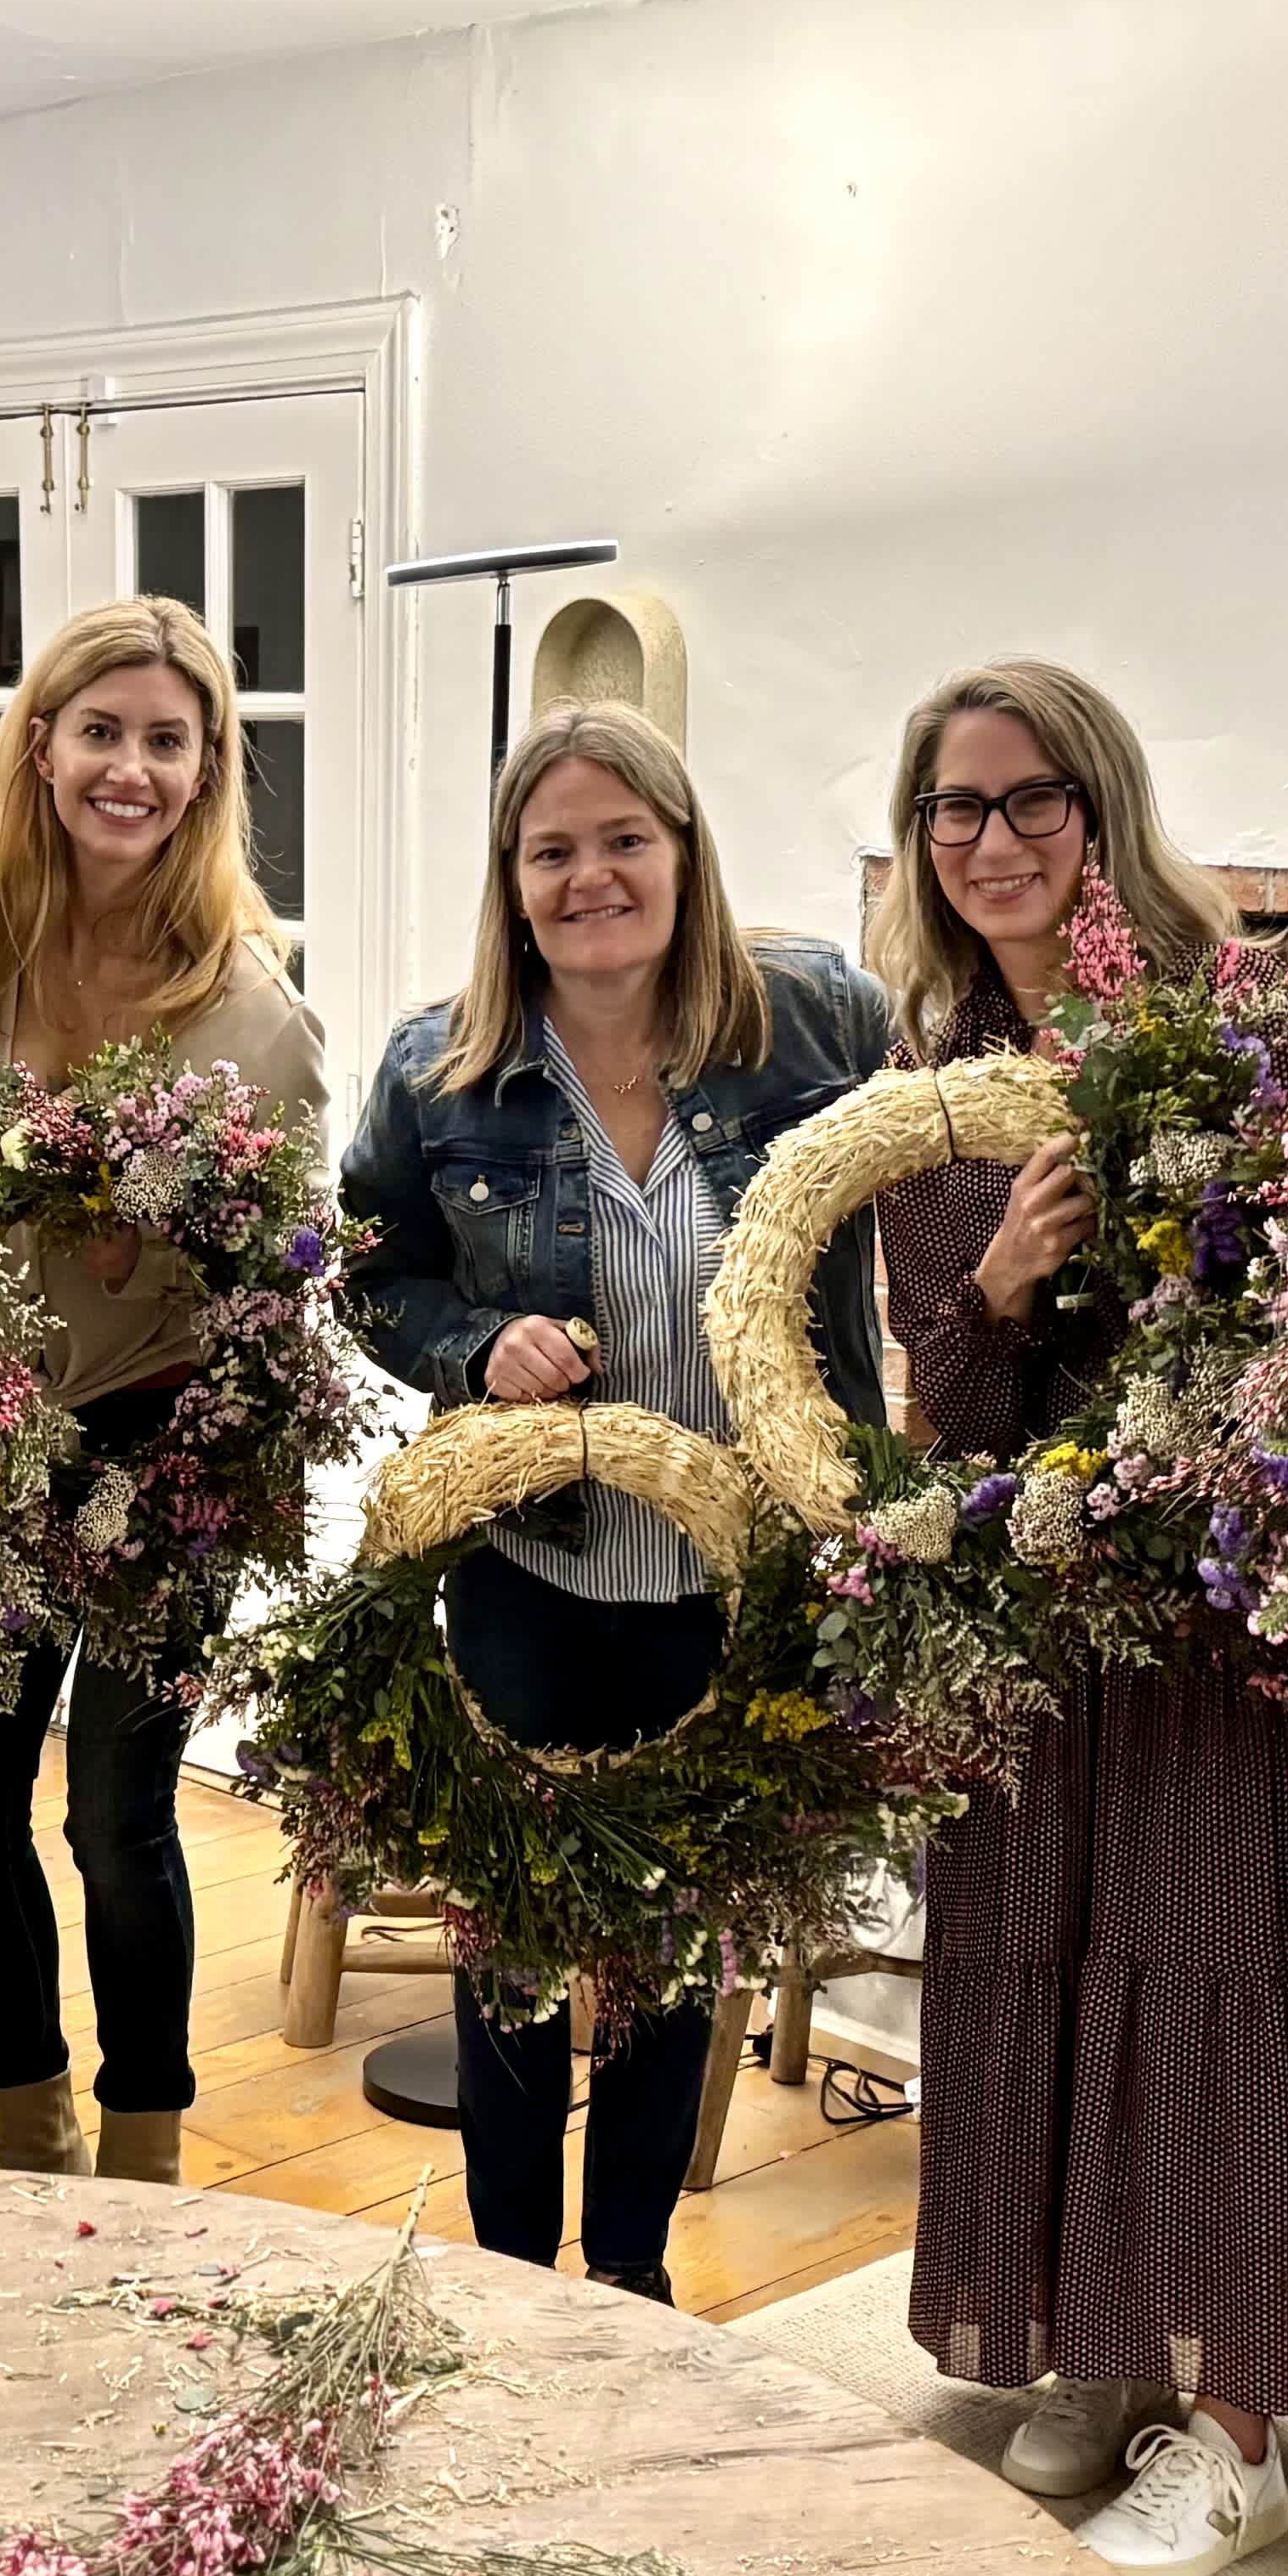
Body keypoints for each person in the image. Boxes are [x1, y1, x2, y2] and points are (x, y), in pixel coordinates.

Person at [870, 658, 1288, 2576]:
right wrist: (1001, 1284)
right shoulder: (932, 1089)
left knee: (1210, 1962)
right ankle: (1099, 2342)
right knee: (1043, 1946)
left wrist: (1181, 1251)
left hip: (1224, 1611)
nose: (992, 840)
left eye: (1031, 800)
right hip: (1044, 1606)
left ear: (1099, 810)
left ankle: (1235, 2430)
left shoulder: (1245, 1025)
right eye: (955, 807)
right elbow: (946, 1416)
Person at [339, 705, 890, 2299]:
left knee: (675, 1934)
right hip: (532, 1572)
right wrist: (470, 1344)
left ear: (683, 851)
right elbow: (370, 1274)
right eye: (552, 851)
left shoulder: (814, 1023)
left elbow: (927, 1186)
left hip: (738, 1582)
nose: (591, 878)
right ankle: (510, 2279)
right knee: (513, 1935)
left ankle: (633, 2278)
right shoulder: (439, 1072)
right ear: (511, 884)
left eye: (623, 840)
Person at [0, 598, 323, 2183]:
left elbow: (287, 1266)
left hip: (167, 1432)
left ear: (205, 772)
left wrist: (160, 1248)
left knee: (118, 1818)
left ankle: (145, 2149)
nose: (129, 768)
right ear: (42, 748)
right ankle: (28, 2120)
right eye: (99, 732)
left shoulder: (251, 1009)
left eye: (165, 741)